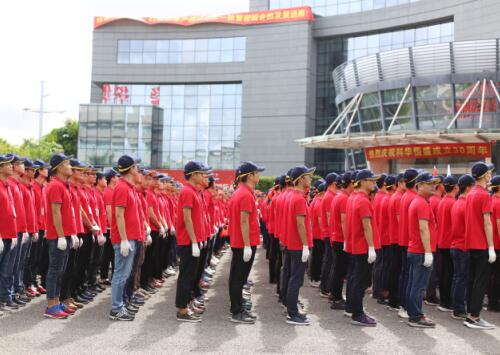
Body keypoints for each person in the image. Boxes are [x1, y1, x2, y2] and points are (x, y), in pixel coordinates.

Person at [228, 161, 265, 324]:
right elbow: (243, 221)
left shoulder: (242, 192)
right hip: (244, 243)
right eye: (257, 172)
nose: (259, 175)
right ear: (250, 176)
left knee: (238, 276)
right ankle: (237, 311)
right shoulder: (244, 194)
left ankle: (238, 307)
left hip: (242, 242)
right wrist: (247, 245)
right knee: (238, 277)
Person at [175, 161, 210, 322]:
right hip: (188, 241)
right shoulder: (187, 192)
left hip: (194, 240)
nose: (203, 176)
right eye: (200, 173)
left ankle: (187, 304)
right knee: (186, 275)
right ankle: (182, 310)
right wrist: (194, 241)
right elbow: (187, 219)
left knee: (191, 275)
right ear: (193, 174)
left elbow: (198, 219)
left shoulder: (194, 191)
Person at [109, 155, 142, 321]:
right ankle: (116, 308)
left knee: (124, 274)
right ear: (130, 169)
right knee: (121, 274)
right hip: (125, 239)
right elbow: (119, 215)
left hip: (131, 238)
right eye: (136, 167)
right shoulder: (122, 187)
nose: (138, 170)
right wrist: (123, 239)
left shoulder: (129, 187)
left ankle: (119, 305)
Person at [464, 162, 496, 329]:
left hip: (471, 243)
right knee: (480, 282)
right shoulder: (484, 195)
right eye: (489, 172)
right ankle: (474, 316)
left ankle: (470, 313)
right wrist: (491, 246)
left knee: (472, 281)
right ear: (484, 175)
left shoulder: (471, 194)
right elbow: (487, 223)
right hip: (481, 243)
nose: (491, 174)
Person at [44, 153, 76, 319]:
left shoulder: (64, 185)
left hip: (64, 235)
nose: (70, 166)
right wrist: (62, 236)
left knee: (60, 270)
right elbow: (56, 212)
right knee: (55, 271)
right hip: (57, 236)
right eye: (67, 163)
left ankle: (56, 301)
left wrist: (71, 234)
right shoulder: (56, 185)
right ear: (59, 168)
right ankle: (51, 305)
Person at [406, 172, 439, 328]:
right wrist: (428, 251)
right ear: (419, 185)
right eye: (429, 183)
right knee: (418, 285)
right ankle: (416, 316)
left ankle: (414, 313)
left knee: (414, 284)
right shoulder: (421, 203)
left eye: (433, 183)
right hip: (420, 250)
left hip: (416, 249)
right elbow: (423, 228)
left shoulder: (419, 201)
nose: (433, 185)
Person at [285, 165, 315, 325]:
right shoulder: (298, 198)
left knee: (294, 278)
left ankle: (292, 310)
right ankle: (292, 313)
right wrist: (305, 245)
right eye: (308, 176)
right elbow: (300, 224)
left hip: (293, 244)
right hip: (298, 245)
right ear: (301, 179)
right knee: (296, 280)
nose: (311, 178)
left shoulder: (293, 196)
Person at [349, 169, 379, 327]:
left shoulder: (355, 198)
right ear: (362, 182)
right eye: (371, 180)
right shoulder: (363, 201)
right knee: (361, 281)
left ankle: (354, 310)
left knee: (357, 279)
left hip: (358, 245)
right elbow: (367, 227)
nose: (374, 182)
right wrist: (372, 248)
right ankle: (357, 313)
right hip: (363, 247)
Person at [450, 174, 474, 320]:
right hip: (463, 245)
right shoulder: (465, 205)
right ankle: (458, 308)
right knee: (461, 278)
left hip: (456, 244)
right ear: (469, 187)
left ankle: (456, 306)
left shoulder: (457, 202)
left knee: (457, 278)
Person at [329, 172, 353, 311]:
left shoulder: (339, 196)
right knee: (340, 270)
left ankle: (335, 295)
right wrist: (346, 240)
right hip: (340, 238)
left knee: (338, 268)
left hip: (336, 237)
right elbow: (344, 220)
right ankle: (337, 298)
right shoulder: (344, 198)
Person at [397, 168, 419, 319]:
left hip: (404, 239)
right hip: (410, 240)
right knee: (409, 275)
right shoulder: (412, 197)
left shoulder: (405, 196)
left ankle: (402, 303)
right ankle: (405, 304)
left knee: (405, 273)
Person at [435, 175, 458, 312]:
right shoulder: (452, 202)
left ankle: (444, 300)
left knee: (444, 272)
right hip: (450, 241)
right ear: (455, 187)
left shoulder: (442, 201)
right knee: (449, 273)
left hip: (441, 240)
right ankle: (447, 301)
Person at [0, 155, 18, 314]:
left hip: (9, 234)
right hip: (1, 235)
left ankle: (4, 298)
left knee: (7, 270)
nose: (11, 166)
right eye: (8, 164)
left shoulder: (7, 186)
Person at [387, 173, 405, 311]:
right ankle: (394, 299)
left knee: (394, 269)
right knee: (397, 270)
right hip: (398, 238)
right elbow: (401, 221)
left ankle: (393, 298)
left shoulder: (395, 197)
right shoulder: (398, 198)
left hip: (394, 237)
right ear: (399, 183)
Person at [319, 172, 338, 298]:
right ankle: (325, 287)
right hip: (330, 233)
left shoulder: (329, 195)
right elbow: (329, 217)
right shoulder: (330, 196)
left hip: (328, 232)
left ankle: (325, 286)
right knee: (330, 261)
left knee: (329, 260)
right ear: (333, 183)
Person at [309, 180, 325, 287]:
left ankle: (314, 277)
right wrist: (325, 233)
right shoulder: (319, 203)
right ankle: (316, 278)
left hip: (315, 233)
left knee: (315, 257)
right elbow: (320, 221)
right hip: (318, 234)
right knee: (318, 258)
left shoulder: (315, 200)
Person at [489, 175, 500, 312]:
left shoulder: (491, 200)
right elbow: (499, 225)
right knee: (497, 275)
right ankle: (493, 302)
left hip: (492, 243)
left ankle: (492, 300)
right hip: (497, 243)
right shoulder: (498, 202)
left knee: (493, 274)